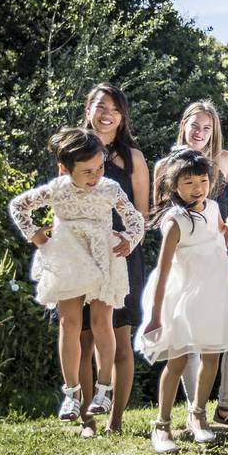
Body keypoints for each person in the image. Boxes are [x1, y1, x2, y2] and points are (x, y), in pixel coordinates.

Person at [9, 127, 143, 423]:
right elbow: (19, 205)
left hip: (102, 256)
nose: (95, 175)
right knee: (69, 324)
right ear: (64, 168)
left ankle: (104, 389)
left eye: (99, 167)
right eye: (86, 171)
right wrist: (34, 235)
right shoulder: (57, 188)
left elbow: (135, 219)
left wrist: (128, 239)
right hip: (68, 257)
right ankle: (72, 393)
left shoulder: (109, 188)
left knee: (101, 322)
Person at [135, 149, 228, 452]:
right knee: (177, 361)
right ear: (174, 185)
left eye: (202, 180)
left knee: (212, 355)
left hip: (215, 292)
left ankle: (198, 415)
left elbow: (218, 243)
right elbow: (163, 271)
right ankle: (162, 426)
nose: (197, 188)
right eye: (188, 182)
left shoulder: (214, 206)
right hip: (184, 296)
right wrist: (155, 315)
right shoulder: (174, 220)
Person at [153, 101, 228, 430]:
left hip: (218, 257)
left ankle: (225, 405)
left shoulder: (222, 160)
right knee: (188, 340)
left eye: (207, 128)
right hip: (185, 262)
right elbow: (161, 217)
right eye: (195, 125)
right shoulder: (165, 165)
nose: (200, 133)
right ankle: (196, 412)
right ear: (183, 124)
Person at [78, 83, 149, 437]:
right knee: (83, 337)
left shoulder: (132, 157)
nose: (107, 115)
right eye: (100, 106)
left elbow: (143, 214)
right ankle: (87, 420)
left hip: (121, 253)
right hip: (79, 253)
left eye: (115, 109)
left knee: (121, 338)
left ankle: (115, 421)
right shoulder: (73, 151)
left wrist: (128, 239)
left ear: (122, 117)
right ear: (88, 109)